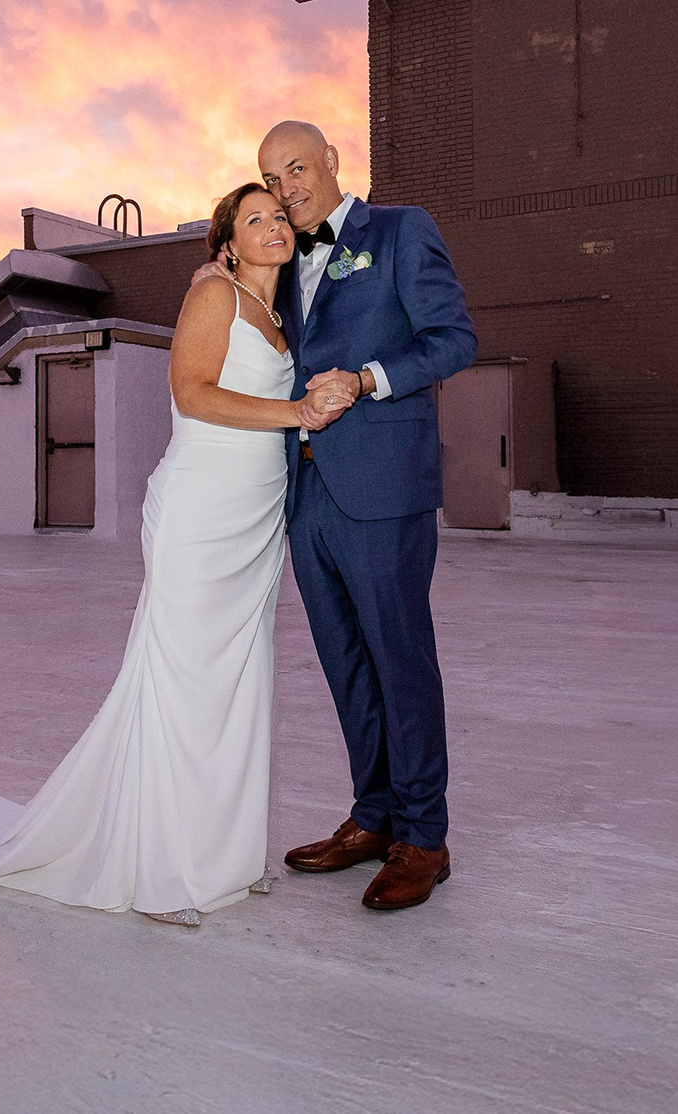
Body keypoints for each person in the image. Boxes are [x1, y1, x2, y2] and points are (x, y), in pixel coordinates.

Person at [0, 183, 351, 925]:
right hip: (202, 512)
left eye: (278, 217)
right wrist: (297, 412)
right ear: (226, 244)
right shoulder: (215, 298)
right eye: (255, 221)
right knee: (181, 681)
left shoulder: (280, 311)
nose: (274, 227)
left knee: (238, 682)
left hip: (254, 516)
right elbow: (193, 394)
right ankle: (157, 867)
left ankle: (222, 858)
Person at [251, 120, 477, 913]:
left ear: (333, 162)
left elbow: (455, 339)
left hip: (383, 489)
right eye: (274, 178)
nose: (288, 188)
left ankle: (425, 836)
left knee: (399, 659)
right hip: (307, 493)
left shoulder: (401, 230)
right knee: (346, 663)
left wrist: (370, 377)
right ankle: (375, 817)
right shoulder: (284, 263)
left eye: (298, 167)